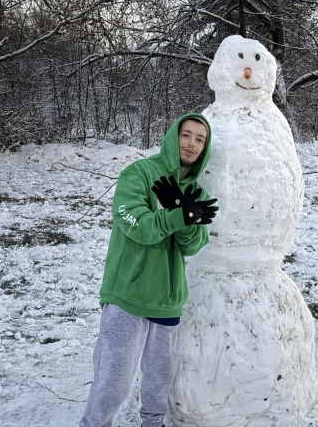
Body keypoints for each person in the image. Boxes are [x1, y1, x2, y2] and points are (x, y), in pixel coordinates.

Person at [79, 113, 218, 427]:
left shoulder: (196, 193)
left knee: (158, 384)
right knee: (113, 383)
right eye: (186, 134)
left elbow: (193, 245)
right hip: (128, 294)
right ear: (173, 136)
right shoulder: (139, 173)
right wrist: (178, 215)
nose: (191, 143)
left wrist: (185, 217)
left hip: (168, 299)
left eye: (200, 139)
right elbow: (136, 225)